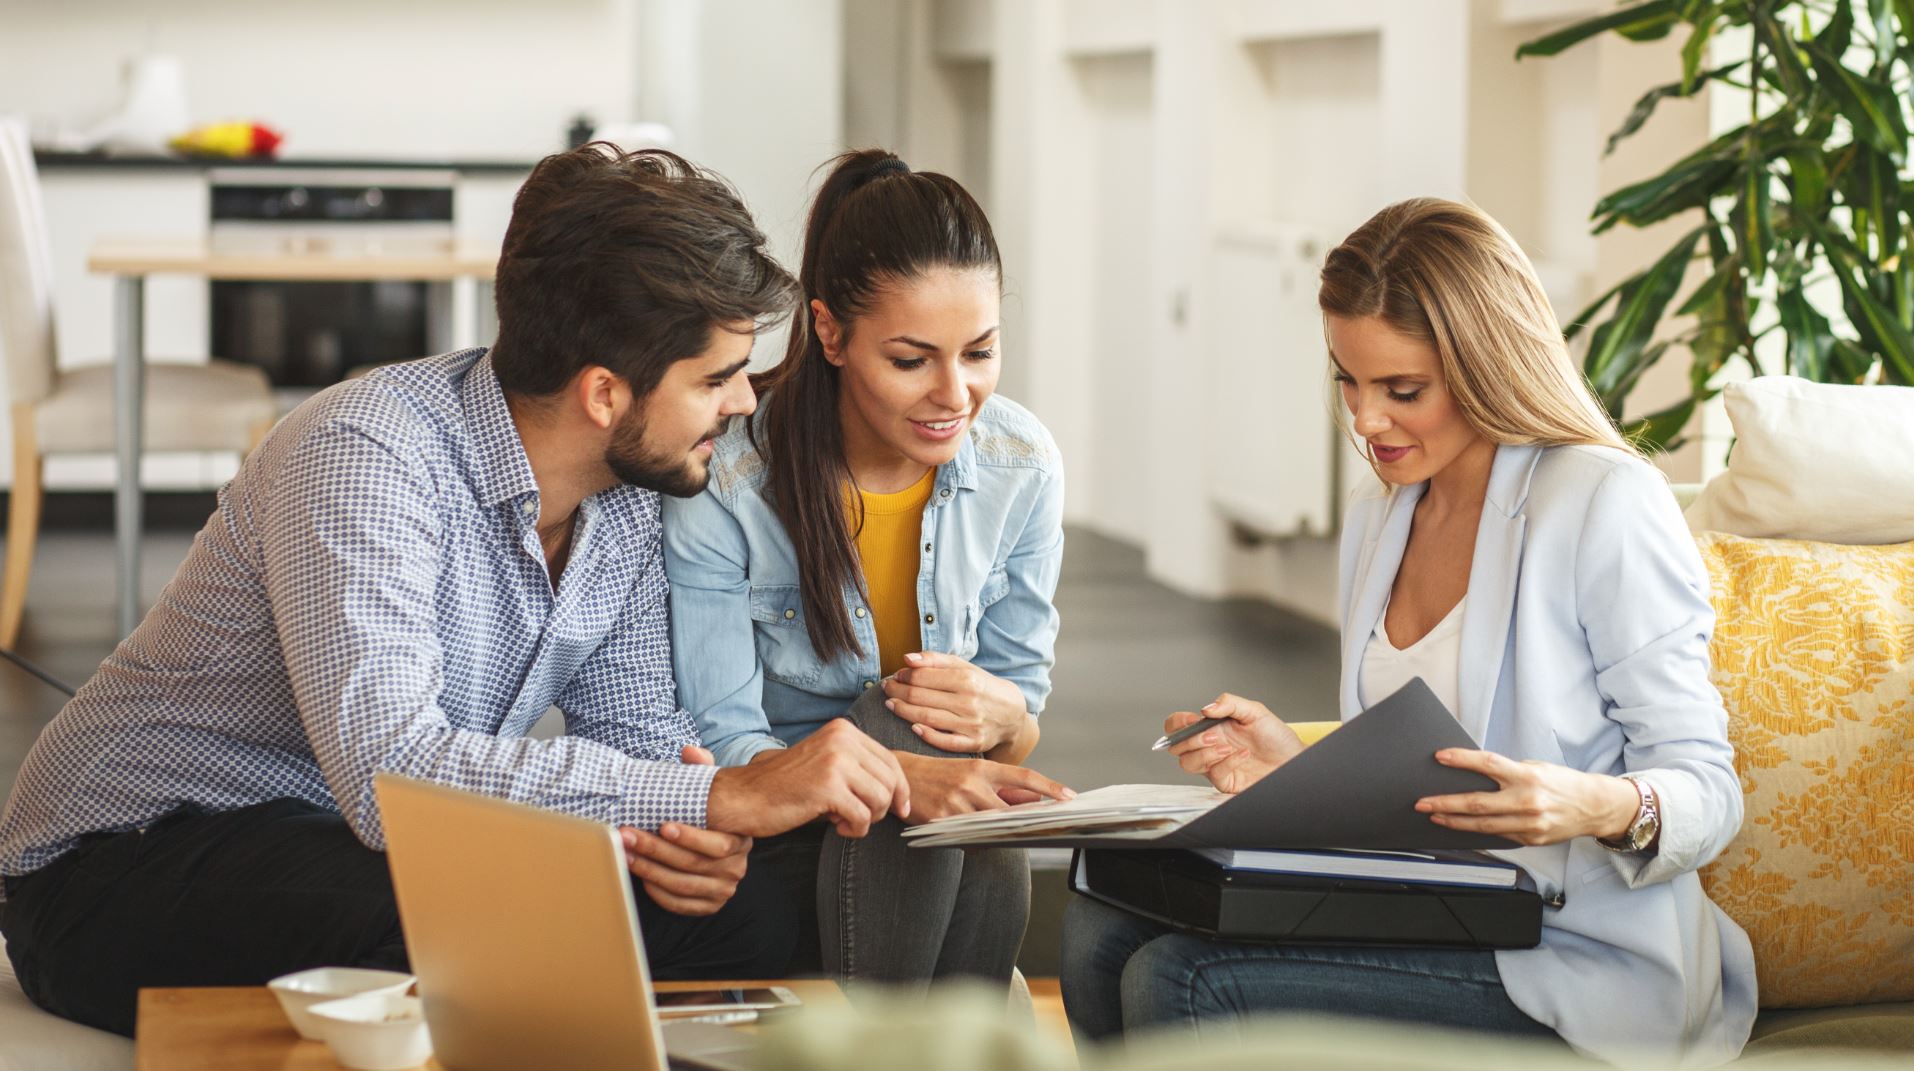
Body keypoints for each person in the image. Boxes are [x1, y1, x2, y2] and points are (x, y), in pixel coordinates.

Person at [0, 144, 913, 1038]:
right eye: (716, 378)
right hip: (118, 862)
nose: (746, 402)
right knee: (472, 918)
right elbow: (387, 773)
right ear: (604, 393)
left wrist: (688, 837)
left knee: (749, 913)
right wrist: (719, 800)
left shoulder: (633, 494)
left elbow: (637, 740)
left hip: (351, 844)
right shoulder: (364, 454)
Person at [1060, 198, 1756, 1064]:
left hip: (1574, 955)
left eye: (1403, 390)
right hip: (1433, 909)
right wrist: (1294, 762)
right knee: (1097, 928)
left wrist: (1593, 804)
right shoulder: (1381, 513)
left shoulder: (1602, 502)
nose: (1364, 419)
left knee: (1184, 977)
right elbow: (1421, 762)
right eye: (1348, 379)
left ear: (1487, 365)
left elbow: (1709, 791)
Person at [662, 150, 1071, 994]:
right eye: (913, 359)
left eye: (981, 352)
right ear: (831, 333)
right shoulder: (730, 480)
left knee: (947, 743)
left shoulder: (1021, 463)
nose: (955, 393)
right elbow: (727, 740)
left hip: (940, 837)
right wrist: (903, 773)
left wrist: (1003, 716)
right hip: (788, 825)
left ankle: (933, 1042)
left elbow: (1018, 725)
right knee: (896, 721)